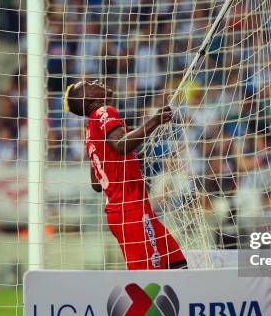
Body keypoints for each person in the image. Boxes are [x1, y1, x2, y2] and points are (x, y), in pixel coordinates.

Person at [63, 80, 187, 270]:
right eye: (89, 83)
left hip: (129, 209)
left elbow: (96, 184)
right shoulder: (104, 112)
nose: (97, 81)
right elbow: (121, 144)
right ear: (88, 98)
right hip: (130, 211)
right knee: (149, 281)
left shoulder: (90, 130)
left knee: (177, 265)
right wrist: (155, 121)